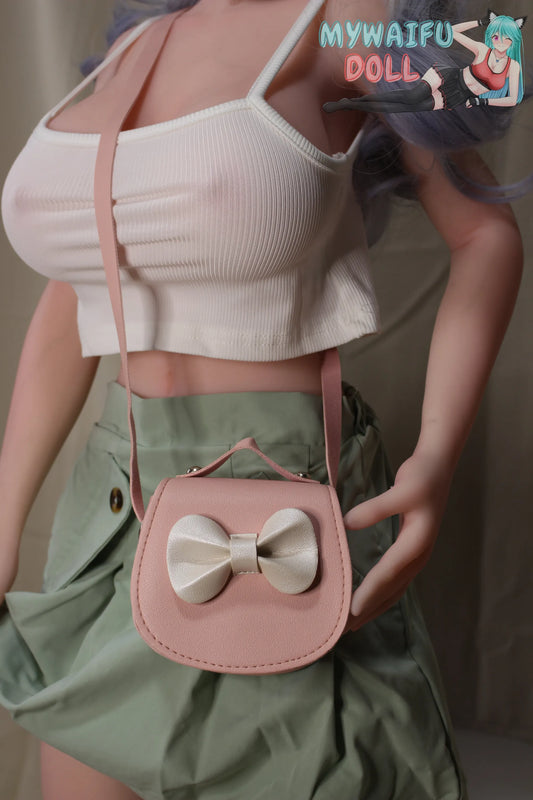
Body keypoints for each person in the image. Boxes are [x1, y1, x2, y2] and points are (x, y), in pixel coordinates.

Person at [0, 0, 526, 798]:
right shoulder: (134, 44)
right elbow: (73, 296)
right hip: (108, 517)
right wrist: (5, 518)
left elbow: (485, 232)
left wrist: (434, 459)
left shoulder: (364, 19)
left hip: (280, 507)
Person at [323, 10, 526, 113]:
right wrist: (480, 22)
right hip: (449, 77)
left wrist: (482, 101)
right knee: (412, 97)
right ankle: (351, 103)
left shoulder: (513, 67)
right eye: (496, 36)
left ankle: (350, 105)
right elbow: (452, 31)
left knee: (406, 108)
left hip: (460, 96)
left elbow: (512, 99)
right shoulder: (482, 49)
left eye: (506, 38)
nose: (500, 41)